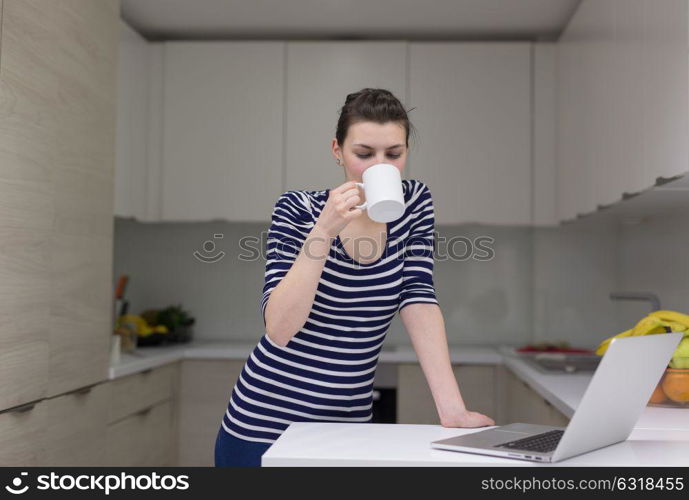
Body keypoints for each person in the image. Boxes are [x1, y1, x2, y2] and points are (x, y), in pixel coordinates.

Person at [214, 88, 495, 467]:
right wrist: (323, 231)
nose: (380, 165)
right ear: (337, 151)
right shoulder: (297, 209)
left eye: (393, 154)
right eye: (364, 154)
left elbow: (418, 298)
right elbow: (279, 328)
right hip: (265, 427)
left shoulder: (413, 204)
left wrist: (453, 411)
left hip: (348, 428)